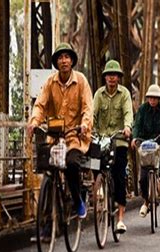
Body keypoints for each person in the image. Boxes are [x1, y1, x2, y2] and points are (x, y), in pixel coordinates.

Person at [27, 42, 93, 220]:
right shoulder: (50, 82)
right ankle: (49, 218)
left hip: (74, 136)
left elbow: (88, 108)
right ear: (56, 62)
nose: (64, 61)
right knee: (47, 168)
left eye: (67, 57)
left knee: (72, 164)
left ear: (72, 61)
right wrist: (34, 122)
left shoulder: (81, 81)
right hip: (55, 137)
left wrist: (85, 124)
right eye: (60, 58)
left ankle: (78, 200)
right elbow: (40, 105)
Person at [93, 59, 133, 233]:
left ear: (119, 77)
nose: (111, 78)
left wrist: (127, 127)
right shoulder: (98, 94)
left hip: (118, 140)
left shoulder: (124, 94)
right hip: (101, 138)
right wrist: (89, 128)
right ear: (105, 77)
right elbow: (92, 114)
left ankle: (121, 219)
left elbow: (128, 112)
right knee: (93, 161)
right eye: (109, 75)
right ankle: (99, 186)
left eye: (115, 75)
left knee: (119, 176)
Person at [131, 84, 160, 218]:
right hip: (145, 143)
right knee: (143, 177)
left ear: (159, 99)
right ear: (148, 98)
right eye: (150, 98)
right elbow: (137, 124)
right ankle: (146, 201)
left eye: (155, 98)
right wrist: (135, 137)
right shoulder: (142, 109)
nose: (153, 100)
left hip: (159, 142)